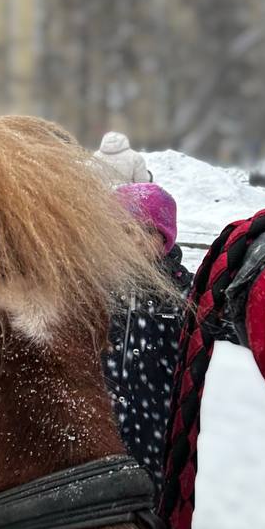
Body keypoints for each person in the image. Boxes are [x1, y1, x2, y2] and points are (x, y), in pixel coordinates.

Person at [104, 184, 193, 483]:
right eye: (124, 230)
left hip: (157, 423)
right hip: (102, 420)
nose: (135, 240)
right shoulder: (93, 286)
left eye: (147, 231)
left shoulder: (182, 291)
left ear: (165, 239)